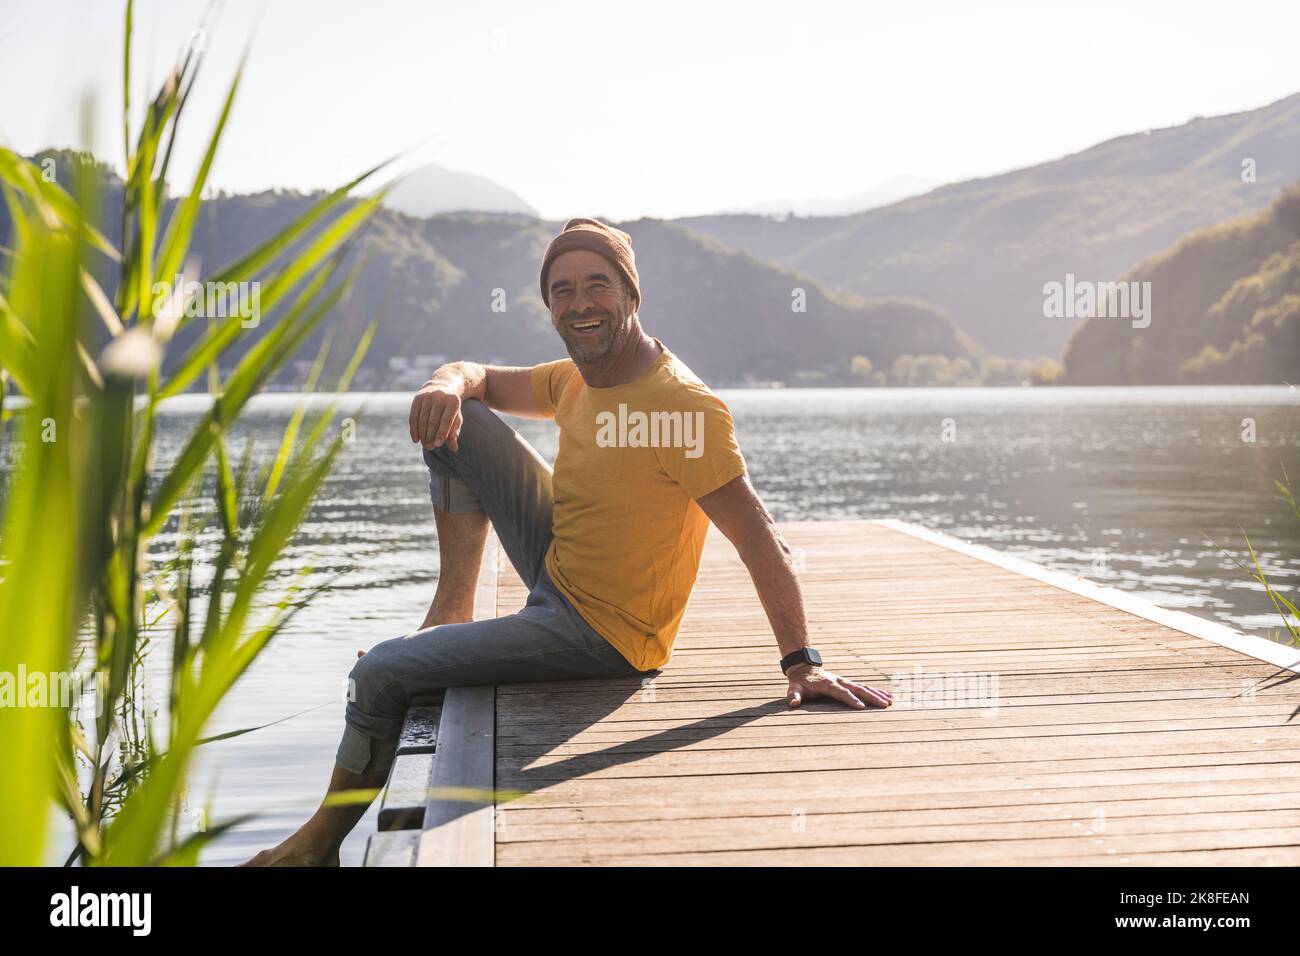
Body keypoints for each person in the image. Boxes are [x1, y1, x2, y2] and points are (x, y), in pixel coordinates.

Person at [242, 217, 892, 866]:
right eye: (562, 290)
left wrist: (802, 661)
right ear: (549, 305)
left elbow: (759, 537)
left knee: (378, 672)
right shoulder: (574, 378)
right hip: (560, 565)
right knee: (456, 418)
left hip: (605, 632)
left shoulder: (683, 407)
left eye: (598, 285)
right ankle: (450, 615)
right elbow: (477, 375)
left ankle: (315, 847)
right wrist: (445, 382)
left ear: (632, 295)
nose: (580, 303)